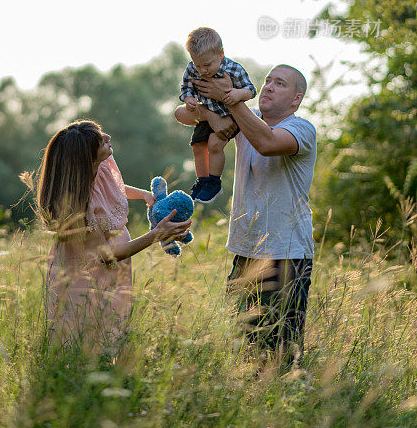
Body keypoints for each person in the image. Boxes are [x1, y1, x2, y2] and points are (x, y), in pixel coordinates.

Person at [177, 64, 316, 365]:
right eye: (267, 81)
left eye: (280, 83)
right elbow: (183, 115)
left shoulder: (301, 128)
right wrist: (213, 111)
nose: (267, 87)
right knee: (241, 346)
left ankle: (287, 404)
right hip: (245, 251)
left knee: (279, 351)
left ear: (296, 99)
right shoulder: (244, 122)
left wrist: (231, 99)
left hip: (286, 255)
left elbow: (266, 143)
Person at [39, 120, 191, 353]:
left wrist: (144, 195)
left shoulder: (99, 165)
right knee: (83, 340)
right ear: (85, 157)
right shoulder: (77, 207)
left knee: (109, 333)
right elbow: (106, 256)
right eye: (101, 140)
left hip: (111, 274)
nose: (108, 136)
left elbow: (112, 187)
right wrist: (156, 235)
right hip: (83, 280)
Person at [175, 27, 256, 203]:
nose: (203, 70)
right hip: (208, 110)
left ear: (221, 54)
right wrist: (188, 98)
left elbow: (251, 90)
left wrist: (237, 94)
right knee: (197, 145)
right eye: (198, 65)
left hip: (230, 114)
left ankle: (214, 182)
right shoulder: (192, 69)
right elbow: (186, 88)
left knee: (214, 144)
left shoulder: (234, 69)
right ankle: (202, 180)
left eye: (207, 65)